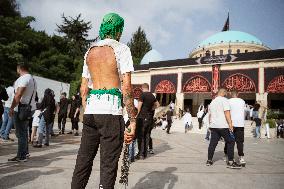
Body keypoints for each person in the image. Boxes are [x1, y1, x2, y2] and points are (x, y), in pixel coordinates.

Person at [71, 13, 137, 189]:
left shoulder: (89, 51)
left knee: (83, 161)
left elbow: (83, 88)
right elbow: (127, 88)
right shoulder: (122, 49)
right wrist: (132, 119)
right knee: (108, 165)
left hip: (91, 111)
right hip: (110, 112)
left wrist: (87, 109)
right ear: (118, 30)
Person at [8, 64, 37, 162]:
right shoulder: (32, 79)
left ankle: (21, 156)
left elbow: (18, 94)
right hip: (28, 108)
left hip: (21, 109)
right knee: (24, 132)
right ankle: (25, 153)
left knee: (20, 133)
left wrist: (11, 108)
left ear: (19, 69)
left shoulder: (24, 78)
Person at [206, 88, 241, 169]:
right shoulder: (224, 100)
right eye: (226, 93)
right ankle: (231, 162)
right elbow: (227, 112)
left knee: (212, 143)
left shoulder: (212, 101)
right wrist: (230, 124)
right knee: (231, 141)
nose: (226, 94)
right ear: (224, 93)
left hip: (214, 126)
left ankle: (209, 160)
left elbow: (210, 115)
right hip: (223, 126)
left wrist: (210, 125)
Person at [136, 83, 159, 159]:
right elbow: (157, 105)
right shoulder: (152, 95)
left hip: (142, 118)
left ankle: (141, 154)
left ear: (142, 88)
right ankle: (145, 154)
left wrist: (136, 114)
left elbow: (139, 106)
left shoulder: (142, 95)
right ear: (148, 88)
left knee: (141, 136)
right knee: (147, 135)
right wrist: (151, 109)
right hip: (150, 118)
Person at [224, 90, 246, 166]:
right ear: (238, 94)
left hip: (231, 124)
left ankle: (228, 157)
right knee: (240, 142)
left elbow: (226, 112)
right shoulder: (242, 101)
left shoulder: (228, 101)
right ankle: (241, 157)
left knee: (229, 142)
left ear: (230, 94)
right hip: (240, 124)